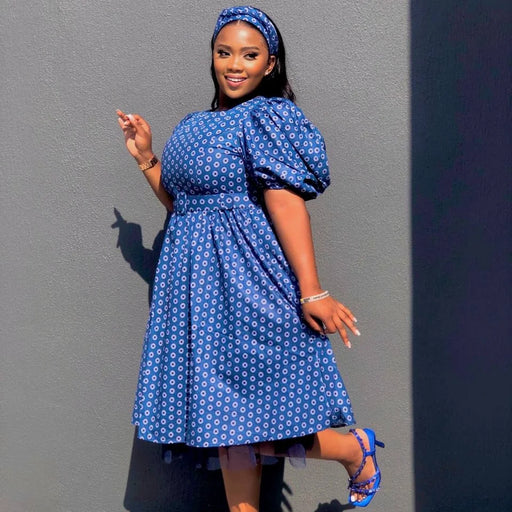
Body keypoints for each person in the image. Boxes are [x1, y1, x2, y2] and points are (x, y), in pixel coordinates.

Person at [117, 6, 384, 511]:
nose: (234, 64)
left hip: (248, 282)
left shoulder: (266, 117)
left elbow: (286, 205)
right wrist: (147, 158)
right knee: (223, 425)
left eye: (249, 54)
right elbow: (184, 207)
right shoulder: (193, 125)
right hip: (196, 292)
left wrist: (313, 291)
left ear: (270, 64)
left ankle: (354, 448)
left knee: (257, 422)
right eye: (224, 53)